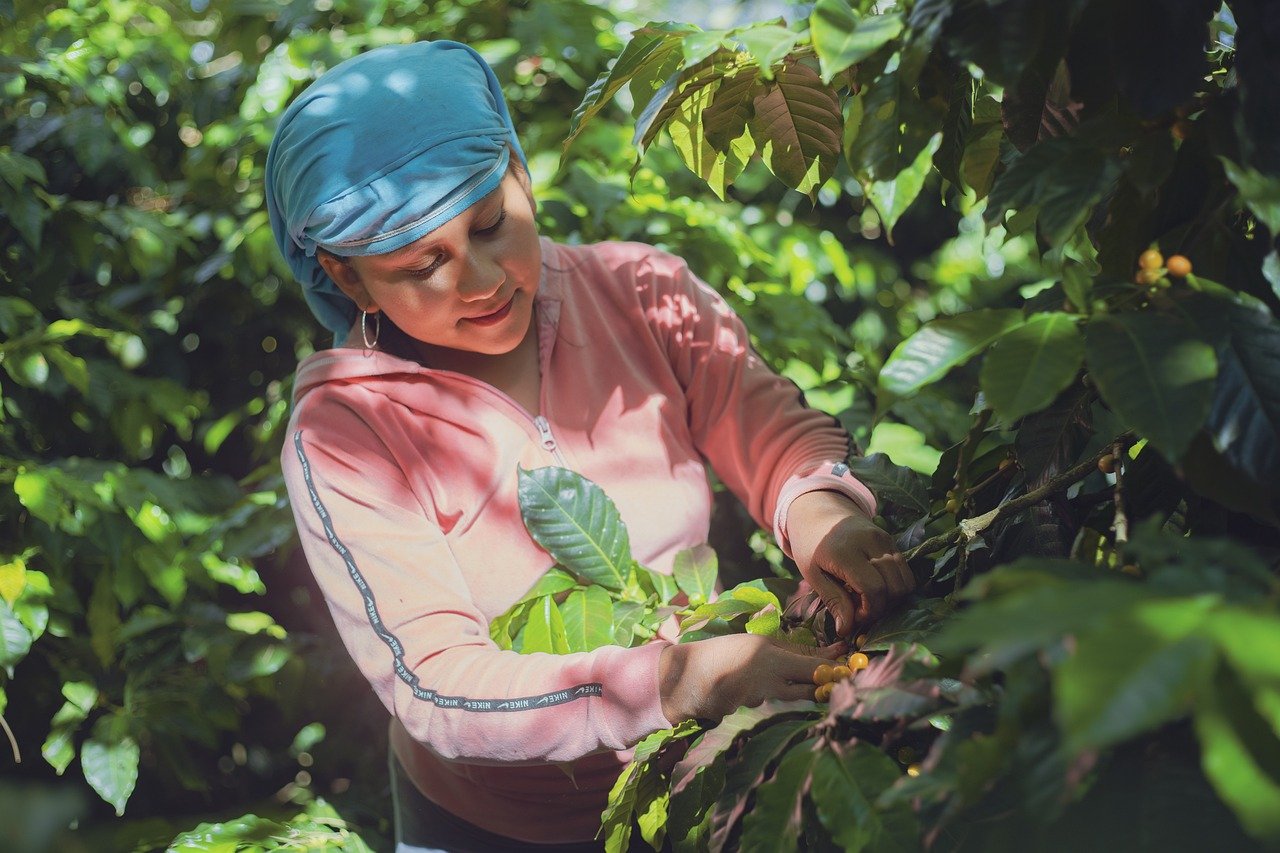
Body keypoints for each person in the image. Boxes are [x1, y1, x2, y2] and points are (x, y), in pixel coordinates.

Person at [265, 39, 915, 852]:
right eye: (424, 264)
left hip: (696, 778)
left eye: (493, 224)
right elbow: (434, 682)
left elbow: (771, 433)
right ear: (349, 277)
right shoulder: (346, 434)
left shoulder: (644, 295)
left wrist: (827, 519)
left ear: (521, 171)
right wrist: (671, 682)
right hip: (491, 829)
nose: (482, 279)